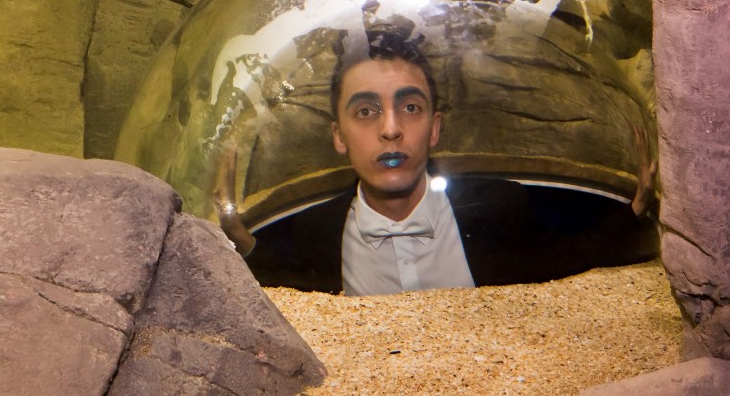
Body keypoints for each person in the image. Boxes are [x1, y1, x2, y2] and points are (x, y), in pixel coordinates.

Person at [215, 38, 658, 295]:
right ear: (338, 136)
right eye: (366, 111)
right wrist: (239, 236)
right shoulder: (315, 231)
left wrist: (636, 209)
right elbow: (283, 278)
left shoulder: (497, 207)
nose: (391, 130)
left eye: (410, 107)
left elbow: (569, 257)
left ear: (434, 128)